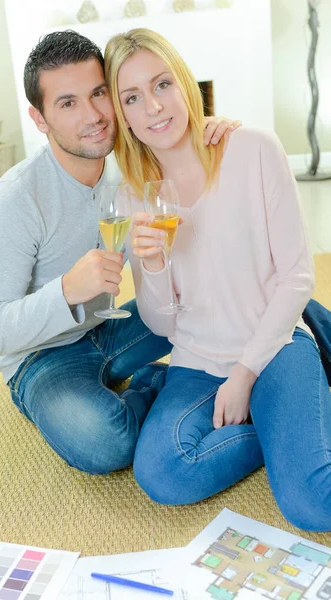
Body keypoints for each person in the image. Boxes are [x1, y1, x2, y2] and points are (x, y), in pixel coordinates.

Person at [0, 30, 237, 475]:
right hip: (43, 357)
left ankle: (309, 342)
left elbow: (184, 144)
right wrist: (66, 291)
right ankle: (157, 383)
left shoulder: (131, 164)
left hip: (114, 328)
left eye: (99, 93)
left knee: (233, 300)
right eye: (68, 103)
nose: (94, 115)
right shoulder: (14, 201)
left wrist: (213, 132)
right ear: (40, 119)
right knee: (106, 442)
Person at [104, 28, 331, 531]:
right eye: (133, 98)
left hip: (273, 348)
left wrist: (245, 375)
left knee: (312, 503)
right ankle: (285, 426)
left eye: (162, 84)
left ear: (185, 83)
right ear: (122, 115)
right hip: (196, 363)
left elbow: (297, 277)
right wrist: (157, 266)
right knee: (163, 474)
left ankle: (291, 415)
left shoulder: (251, 148)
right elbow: (162, 326)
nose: (154, 108)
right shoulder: (133, 198)